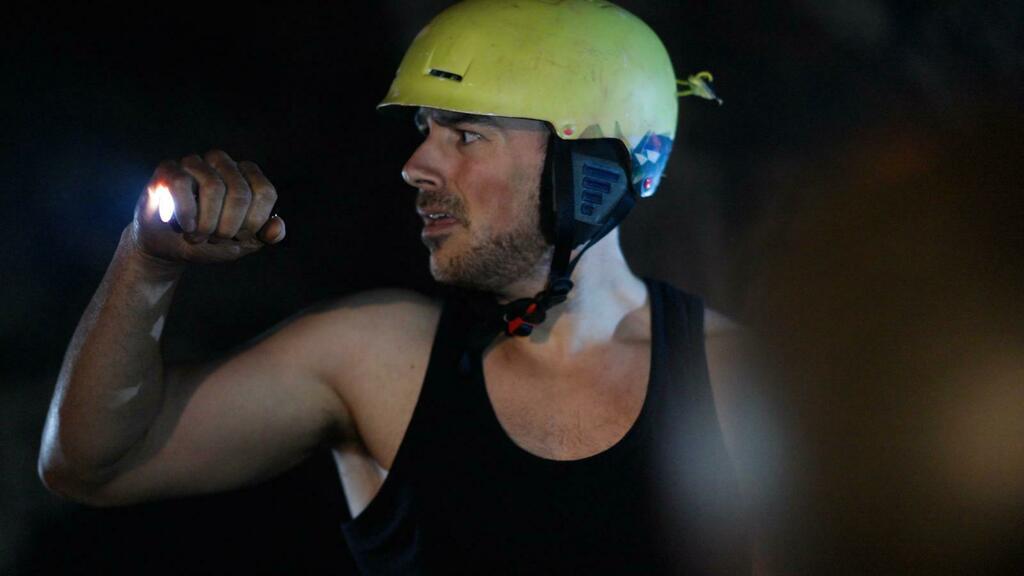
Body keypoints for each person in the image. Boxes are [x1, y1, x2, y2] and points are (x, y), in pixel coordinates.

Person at [39, 0, 753, 573]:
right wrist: (147, 261)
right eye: (424, 130)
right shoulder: (378, 360)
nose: (415, 166)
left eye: (465, 135)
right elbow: (91, 466)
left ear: (594, 167)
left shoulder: (740, 381)